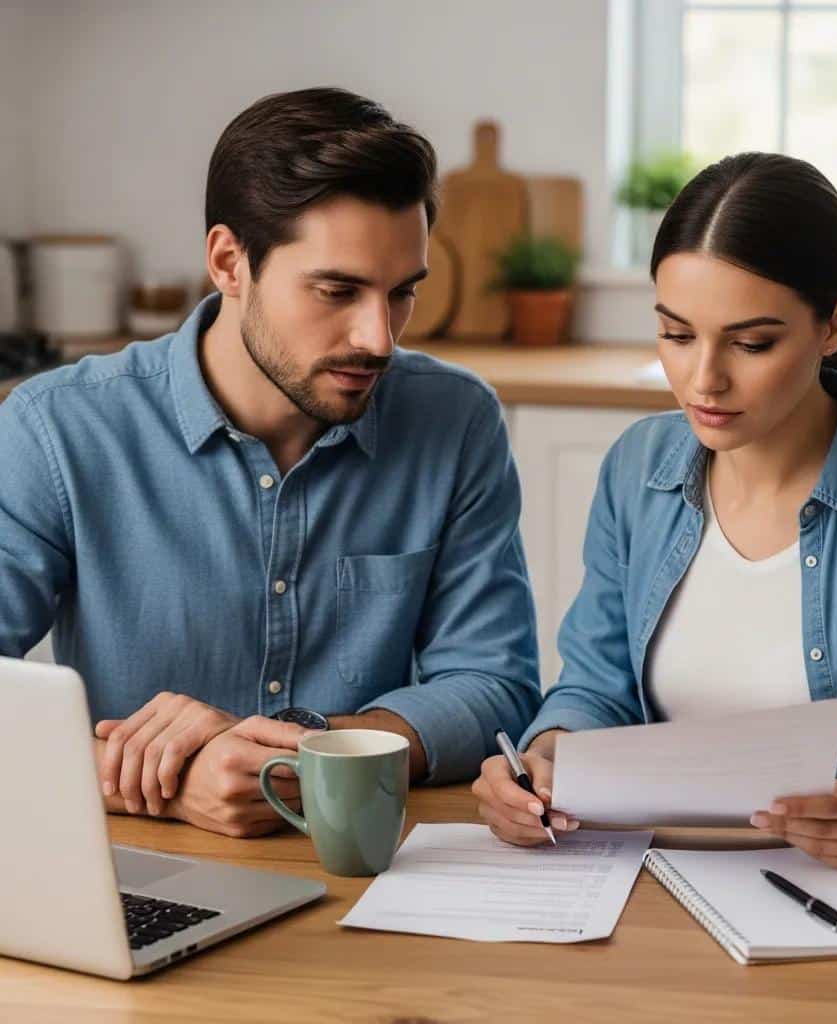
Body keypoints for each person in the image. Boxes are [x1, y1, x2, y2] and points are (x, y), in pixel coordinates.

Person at [0, 87, 540, 837]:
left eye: (401, 294)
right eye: (337, 290)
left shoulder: (455, 421)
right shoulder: (56, 428)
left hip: (366, 868)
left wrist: (312, 750)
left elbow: (494, 686)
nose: (378, 338)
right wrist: (154, 778)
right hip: (130, 863)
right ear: (229, 261)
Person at [473, 152, 837, 872]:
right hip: (642, 883)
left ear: (835, 324)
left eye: (752, 343)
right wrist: (541, 762)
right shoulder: (637, 470)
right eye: (676, 335)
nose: (705, 379)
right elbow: (595, 685)